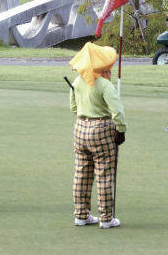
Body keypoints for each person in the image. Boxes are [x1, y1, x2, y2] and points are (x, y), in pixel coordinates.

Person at [69, 42, 127, 229]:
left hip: (80, 128)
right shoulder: (105, 85)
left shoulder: (77, 81)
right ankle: (106, 218)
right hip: (101, 129)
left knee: (82, 174)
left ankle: (81, 215)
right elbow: (117, 112)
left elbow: (73, 108)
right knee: (103, 174)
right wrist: (121, 130)